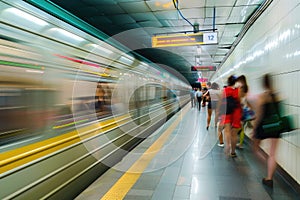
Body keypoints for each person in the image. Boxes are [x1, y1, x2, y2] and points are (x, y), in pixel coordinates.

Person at [252, 73, 281, 188]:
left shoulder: (262, 96)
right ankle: (269, 177)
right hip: (276, 126)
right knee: (273, 153)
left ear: (263, 83)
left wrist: (254, 128)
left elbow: (259, 115)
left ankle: (268, 164)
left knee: (255, 149)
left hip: (264, 127)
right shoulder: (278, 96)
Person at [218, 75, 242, 157]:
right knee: (234, 134)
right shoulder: (238, 90)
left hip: (226, 112)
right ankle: (233, 151)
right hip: (236, 112)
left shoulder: (224, 90)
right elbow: (239, 101)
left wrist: (218, 112)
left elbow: (220, 102)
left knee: (227, 131)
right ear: (235, 82)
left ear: (228, 82)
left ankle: (227, 145)